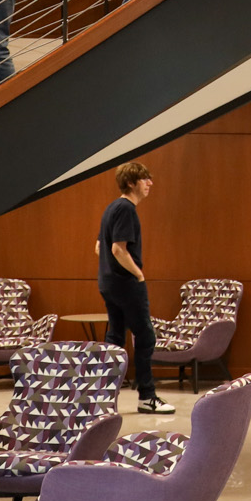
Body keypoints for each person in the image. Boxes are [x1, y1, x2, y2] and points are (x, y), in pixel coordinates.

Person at [99, 161, 175, 414]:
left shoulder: (111, 208)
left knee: (115, 339)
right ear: (131, 183)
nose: (150, 183)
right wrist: (139, 275)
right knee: (145, 336)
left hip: (109, 282)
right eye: (145, 179)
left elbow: (98, 247)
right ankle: (147, 396)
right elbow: (117, 249)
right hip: (126, 284)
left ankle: (103, 397)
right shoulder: (126, 209)